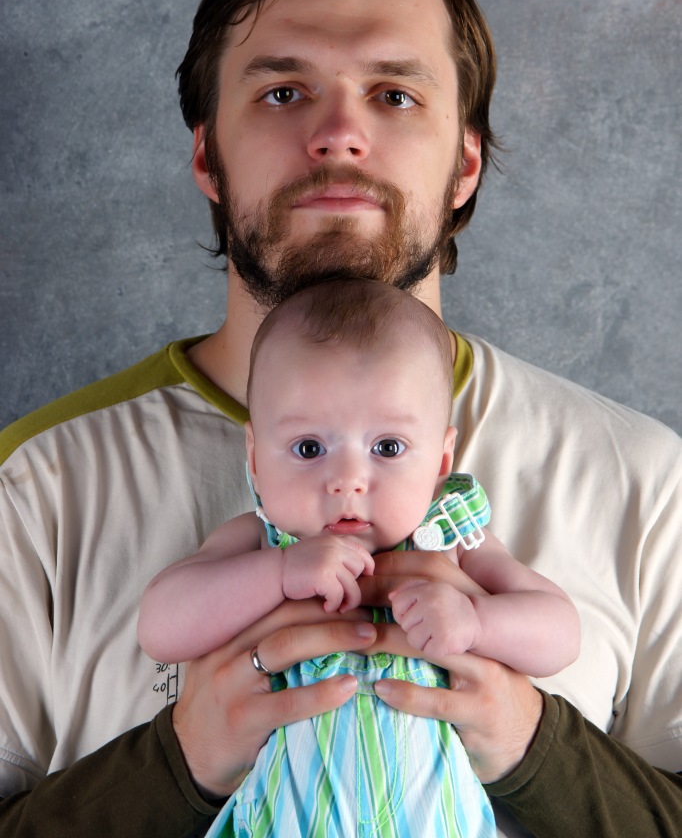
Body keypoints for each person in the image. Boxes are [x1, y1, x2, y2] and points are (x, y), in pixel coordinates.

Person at [0, 0, 681, 838]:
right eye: (283, 92)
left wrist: (534, 746)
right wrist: (175, 765)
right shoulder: (33, 487)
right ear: (207, 156)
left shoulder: (646, 482)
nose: (337, 135)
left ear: (466, 165)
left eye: (394, 95)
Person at [138, 278, 580, 837]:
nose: (347, 480)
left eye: (388, 448)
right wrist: (278, 573)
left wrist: (476, 620)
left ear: (441, 462)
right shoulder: (259, 542)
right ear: (254, 457)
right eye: (309, 448)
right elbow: (161, 628)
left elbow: (560, 633)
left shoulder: (451, 542)